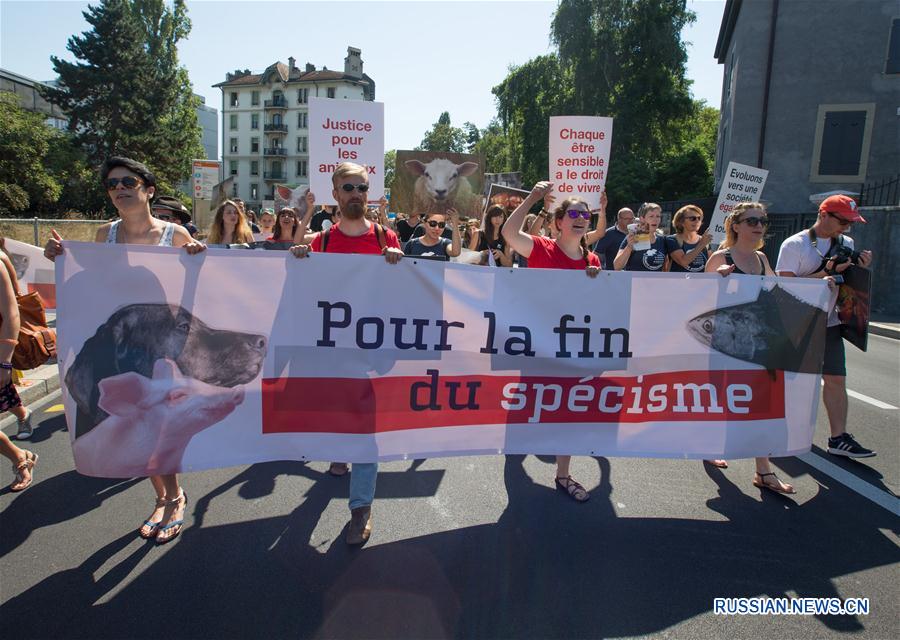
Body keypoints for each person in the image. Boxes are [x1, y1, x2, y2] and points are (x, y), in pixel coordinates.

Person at [44, 155, 206, 543]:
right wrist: (59, 259)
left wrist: (200, 261)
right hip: (123, 349)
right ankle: (164, 495)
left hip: (162, 347)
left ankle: (175, 497)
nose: (119, 189)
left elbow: (193, 293)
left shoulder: (175, 236)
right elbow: (94, 284)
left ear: (148, 190)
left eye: (128, 182)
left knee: (159, 426)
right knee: (136, 426)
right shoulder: (106, 235)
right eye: (112, 184)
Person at [289, 161, 403, 545]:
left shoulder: (387, 240)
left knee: (366, 432)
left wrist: (397, 267)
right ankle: (340, 453)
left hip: (370, 353)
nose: (356, 194)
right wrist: (299, 262)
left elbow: (405, 297)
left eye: (362, 188)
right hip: (331, 354)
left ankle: (361, 508)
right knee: (337, 421)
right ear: (334, 194)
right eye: (348, 188)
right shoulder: (320, 244)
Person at [501, 181, 600, 502]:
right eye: (573, 212)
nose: (580, 217)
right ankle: (514, 462)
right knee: (527, 408)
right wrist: (533, 197)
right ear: (559, 221)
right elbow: (509, 234)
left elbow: (599, 306)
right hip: (537, 347)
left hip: (573, 348)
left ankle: (563, 475)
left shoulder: (593, 262)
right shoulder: (542, 248)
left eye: (585, 214)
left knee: (568, 410)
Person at [705, 202, 795, 493]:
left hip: (758, 344)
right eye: (752, 220)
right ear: (736, 225)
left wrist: (822, 283)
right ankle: (712, 444)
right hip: (725, 344)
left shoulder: (761, 258)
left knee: (759, 404)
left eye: (762, 221)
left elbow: (778, 290)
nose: (758, 226)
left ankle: (764, 472)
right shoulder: (721, 257)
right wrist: (715, 280)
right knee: (723, 398)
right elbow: (697, 299)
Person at [775, 194, 875, 458]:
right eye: (843, 221)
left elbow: (846, 282)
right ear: (823, 214)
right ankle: (777, 428)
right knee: (792, 381)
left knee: (836, 379)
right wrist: (823, 273)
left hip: (829, 322)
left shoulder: (846, 243)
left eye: (851, 222)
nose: (846, 228)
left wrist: (859, 269)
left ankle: (838, 438)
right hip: (797, 323)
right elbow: (785, 288)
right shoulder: (794, 245)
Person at [0, 245, 34, 443]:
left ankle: (20, 458)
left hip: (2, 335)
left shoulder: (1, 259)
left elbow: (12, 310)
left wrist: (4, 361)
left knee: (3, 385)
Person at [613, 202, 668, 272]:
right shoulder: (632, 237)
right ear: (642, 219)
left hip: (655, 282)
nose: (655, 219)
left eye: (658, 216)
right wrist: (629, 247)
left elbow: (665, 268)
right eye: (651, 216)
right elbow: (617, 266)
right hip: (634, 282)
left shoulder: (663, 240)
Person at [666, 205, 712, 273]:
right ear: (681, 222)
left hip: (701, 283)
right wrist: (702, 244)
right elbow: (683, 262)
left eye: (699, 218)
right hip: (679, 283)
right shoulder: (672, 240)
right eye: (692, 218)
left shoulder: (704, 240)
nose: (697, 221)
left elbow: (710, 264)